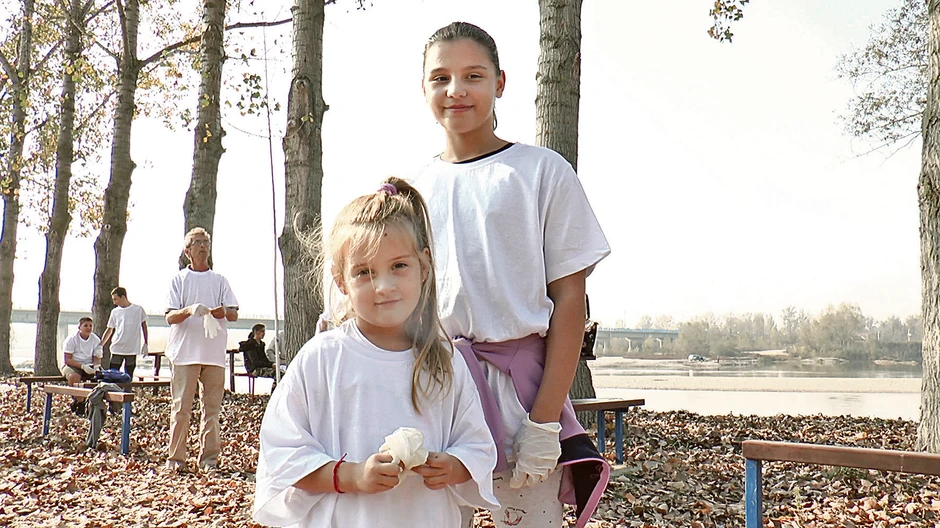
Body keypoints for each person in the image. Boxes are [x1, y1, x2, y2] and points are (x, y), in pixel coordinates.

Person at [411, 22, 611, 528]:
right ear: (424, 88)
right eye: (441, 78)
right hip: (433, 392)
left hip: (520, 393)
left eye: (472, 75)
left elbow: (570, 301)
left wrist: (542, 423)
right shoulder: (409, 191)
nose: (456, 91)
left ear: (500, 82)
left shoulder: (541, 172)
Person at [253, 179, 498, 527]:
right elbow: (283, 455)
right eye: (364, 273)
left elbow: (477, 446)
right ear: (341, 282)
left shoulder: (444, 360)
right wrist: (351, 476)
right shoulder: (321, 359)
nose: (383, 287)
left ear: (424, 267)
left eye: (398, 266)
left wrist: (453, 466)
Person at [164, 227, 239, 473]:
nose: (202, 246)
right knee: (182, 408)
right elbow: (170, 317)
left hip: (214, 355)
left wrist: (222, 312)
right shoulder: (179, 280)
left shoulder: (219, 281)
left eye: (205, 242)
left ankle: (209, 460)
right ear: (187, 251)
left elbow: (233, 313)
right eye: (197, 242)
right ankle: (176, 459)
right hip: (185, 354)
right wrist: (189, 310)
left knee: (212, 410)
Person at [100, 287, 149, 378]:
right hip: (117, 347)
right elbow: (110, 329)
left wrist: (146, 342)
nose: (114, 302)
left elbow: (144, 326)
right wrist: (101, 345)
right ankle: (113, 391)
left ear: (123, 297)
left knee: (128, 376)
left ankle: (127, 391)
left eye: (116, 299)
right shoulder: (115, 312)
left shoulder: (138, 309)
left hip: (132, 348)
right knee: (113, 374)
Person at [60, 317, 103, 415]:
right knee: (74, 377)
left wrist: (96, 367)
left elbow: (97, 356)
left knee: (102, 377)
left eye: (90, 326)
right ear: (80, 327)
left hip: (89, 364)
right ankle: (80, 402)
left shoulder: (95, 339)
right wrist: (83, 367)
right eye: (85, 326)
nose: (88, 328)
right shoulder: (71, 339)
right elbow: (68, 359)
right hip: (72, 364)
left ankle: (101, 404)